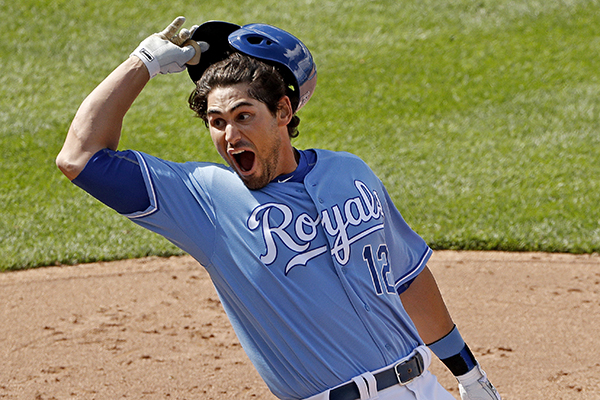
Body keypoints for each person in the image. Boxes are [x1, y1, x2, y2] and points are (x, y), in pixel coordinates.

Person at [56, 17, 502, 400]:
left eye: (243, 115)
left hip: (424, 386)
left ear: (283, 111)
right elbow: (79, 157)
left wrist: (467, 372)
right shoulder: (205, 200)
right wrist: (144, 63)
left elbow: (407, 277)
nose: (229, 136)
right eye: (216, 122)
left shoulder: (350, 172)